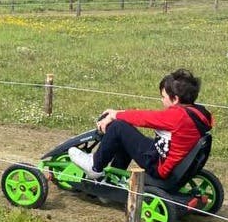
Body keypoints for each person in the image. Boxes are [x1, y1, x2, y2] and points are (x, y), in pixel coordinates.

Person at [68, 68, 214, 181]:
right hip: (169, 158)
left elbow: (145, 118)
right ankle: (114, 179)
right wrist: (120, 113)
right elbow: (150, 116)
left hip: (159, 166)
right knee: (127, 136)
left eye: (163, 97)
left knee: (118, 127)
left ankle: (95, 166)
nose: (161, 100)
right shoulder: (195, 113)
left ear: (175, 99)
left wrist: (114, 115)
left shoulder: (178, 117)